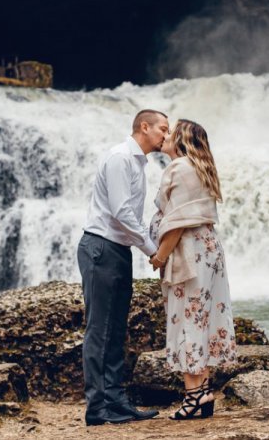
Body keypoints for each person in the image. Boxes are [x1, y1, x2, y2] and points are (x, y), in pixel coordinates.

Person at [77, 109, 170, 426]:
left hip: (116, 249)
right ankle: (97, 408)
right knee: (99, 331)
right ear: (144, 127)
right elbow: (120, 212)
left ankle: (116, 404)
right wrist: (154, 250)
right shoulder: (120, 158)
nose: (165, 136)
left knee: (115, 331)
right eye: (162, 129)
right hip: (101, 247)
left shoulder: (136, 162)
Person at [149, 119, 237, 420]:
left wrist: (159, 257)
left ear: (182, 140)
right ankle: (204, 391)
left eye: (171, 132)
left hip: (189, 250)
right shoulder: (200, 167)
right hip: (209, 249)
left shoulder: (178, 168)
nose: (166, 135)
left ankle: (193, 396)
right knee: (204, 316)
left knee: (187, 317)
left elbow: (176, 222)